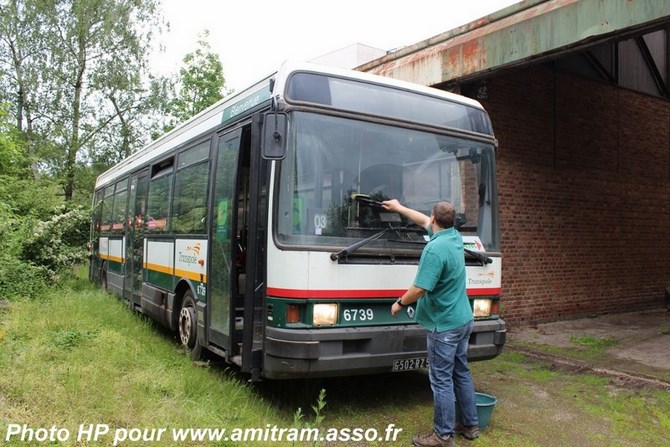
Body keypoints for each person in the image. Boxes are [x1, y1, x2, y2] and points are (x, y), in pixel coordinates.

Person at [383, 199, 479, 447]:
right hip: (463, 319)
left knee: (441, 379)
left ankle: (443, 436)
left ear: (435, 218)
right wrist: (399, 208)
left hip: (444, 325)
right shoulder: (454, 236)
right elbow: (423, 220)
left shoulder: (434, 249)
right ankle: (470, 425)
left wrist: (399, 303)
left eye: (431, 218)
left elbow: (419, 289)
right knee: (461, 371)